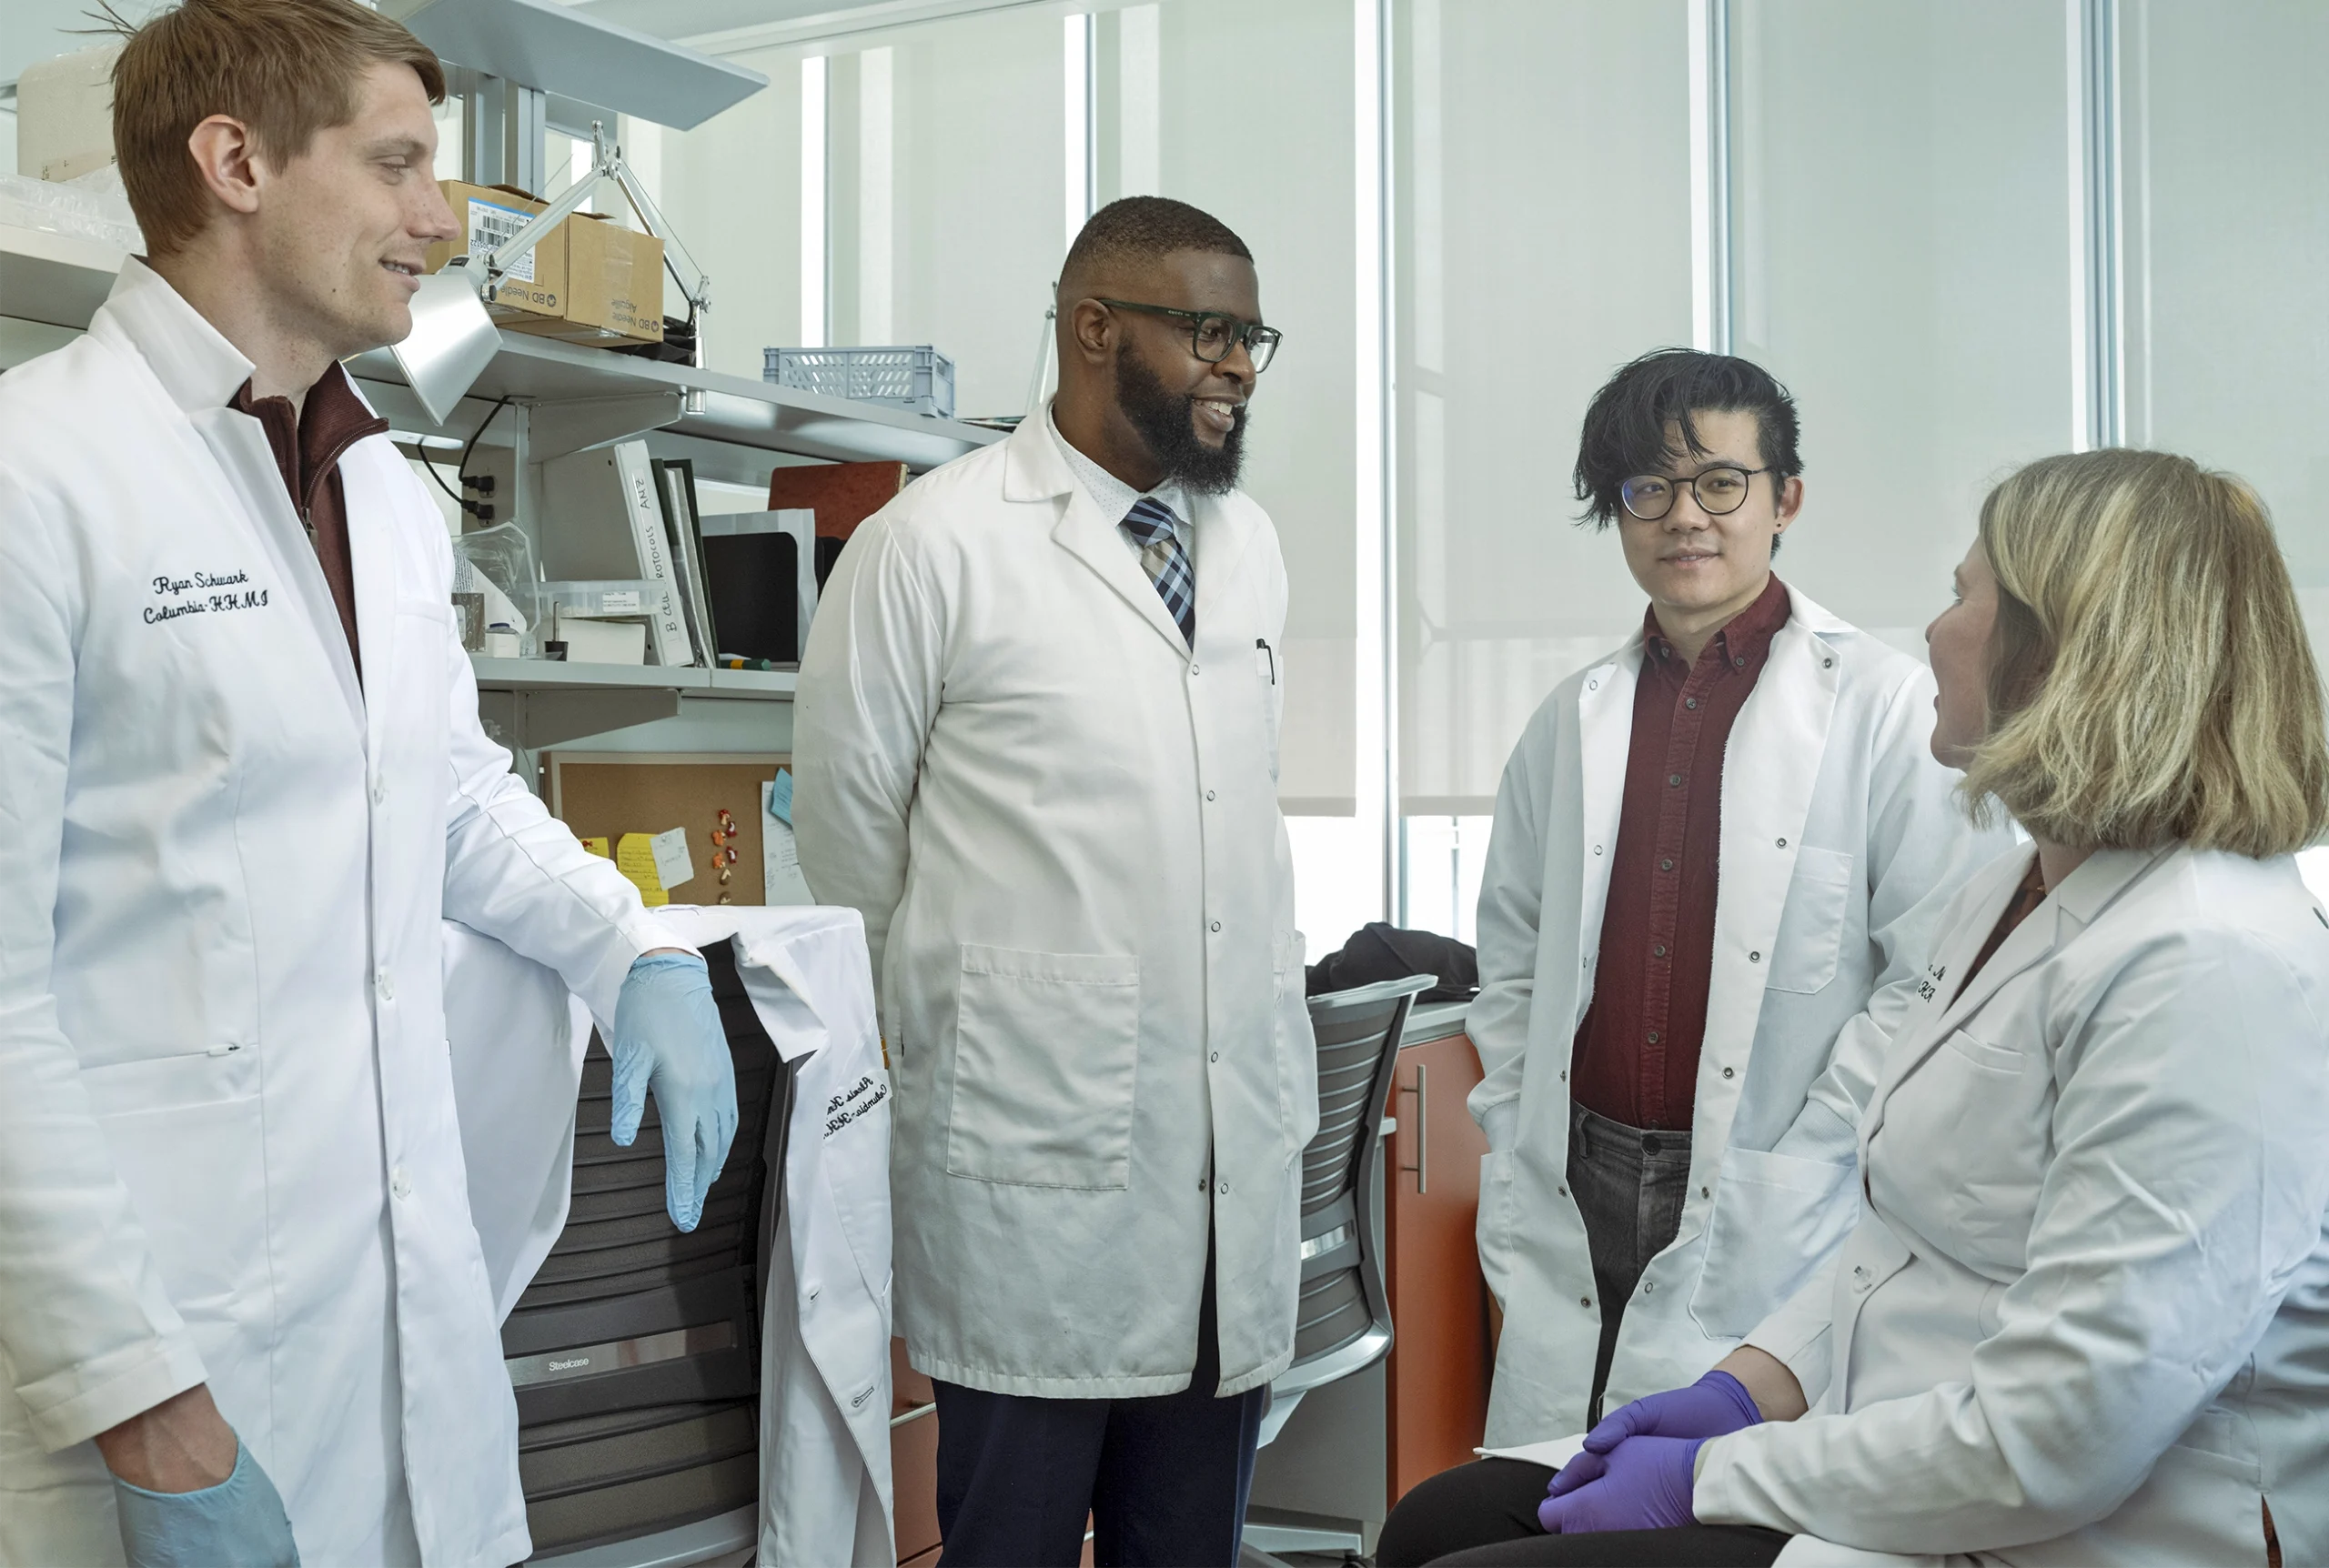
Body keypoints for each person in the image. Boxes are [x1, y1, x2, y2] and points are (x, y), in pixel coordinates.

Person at [0, 3, 739, 1563]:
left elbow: (449, 796)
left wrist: (630, 945)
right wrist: (150, 1407)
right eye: (399, 164)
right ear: (237, 161)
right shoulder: (35, 477)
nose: (443, 218)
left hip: (405, 1338)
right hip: (167, 1372)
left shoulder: (385, 492)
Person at [1378, 447, 2329, 1567]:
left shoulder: (2208, 962)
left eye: (1966, 595)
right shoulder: (2007, 895)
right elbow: (1899, 1246)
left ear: (2067, 647)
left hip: (2093, 1524)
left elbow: (2062, 1435)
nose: (1933, 629)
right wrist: (1743, 1388)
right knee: (1437, 1519)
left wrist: (1712, 1472)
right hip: (1909, 1429)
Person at [791, 196, 1313, 1568]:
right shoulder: (931, 546)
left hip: (1221, 1185)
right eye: (1208, 331)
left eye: (1252, 337)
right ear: (1094, 330)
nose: (1238, 366)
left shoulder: (1245, 545)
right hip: (1034, 1180)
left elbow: (1236, 825)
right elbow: (851, 859)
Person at [1462, 349, 2012, 1454]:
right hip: (1577, 1169)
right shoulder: (1571, 718)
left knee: (1704, 1499)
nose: (1685, 518)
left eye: (1720, 483)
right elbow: (1513, 953)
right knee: (1544, 1487)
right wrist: (1520, 1112)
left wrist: (1812, 1149)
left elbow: (1935, 970)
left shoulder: (1888, 707)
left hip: (1777, 1187)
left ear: (1783, 499)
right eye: (1646, 489)